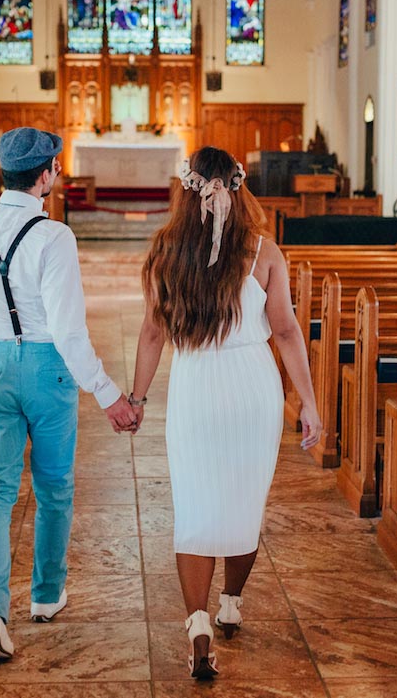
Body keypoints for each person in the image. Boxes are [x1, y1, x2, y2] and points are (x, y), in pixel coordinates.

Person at [126, 146, 323, 680]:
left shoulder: (166, 250)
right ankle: (231, 601)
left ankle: (197, 622)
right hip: (252, 388)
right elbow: (285, 331)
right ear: (237, 186)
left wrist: (138, 399)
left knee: (195, 506)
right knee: (243, 503)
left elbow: (152, 333)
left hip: (195, 387)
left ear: (186, 190)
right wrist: (307, 400)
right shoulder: (263, 251)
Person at [0, 127, 138, 662]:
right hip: (47, 367)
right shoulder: (55, 236)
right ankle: (44, 595)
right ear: (45, 175)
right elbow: (68, 331)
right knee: (54, 486)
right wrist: (108, 394)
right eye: (55, 166)